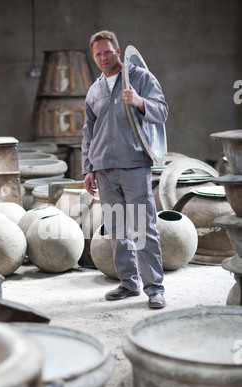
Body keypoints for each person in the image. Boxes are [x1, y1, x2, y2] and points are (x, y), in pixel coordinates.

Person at [81, 30, 168, 309]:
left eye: (108, 52)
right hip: (105, 169)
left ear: (118, 50)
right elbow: (88, 132)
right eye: (98, 54)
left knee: (143, 228)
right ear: (93, 57)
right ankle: (129, 284)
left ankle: (154, 288)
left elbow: (162, 110)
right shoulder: (94, 90)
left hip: (134, 164)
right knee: (117, 230)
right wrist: (88, 168)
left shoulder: (140, 77)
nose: (104, 58)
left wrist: (140, 102)